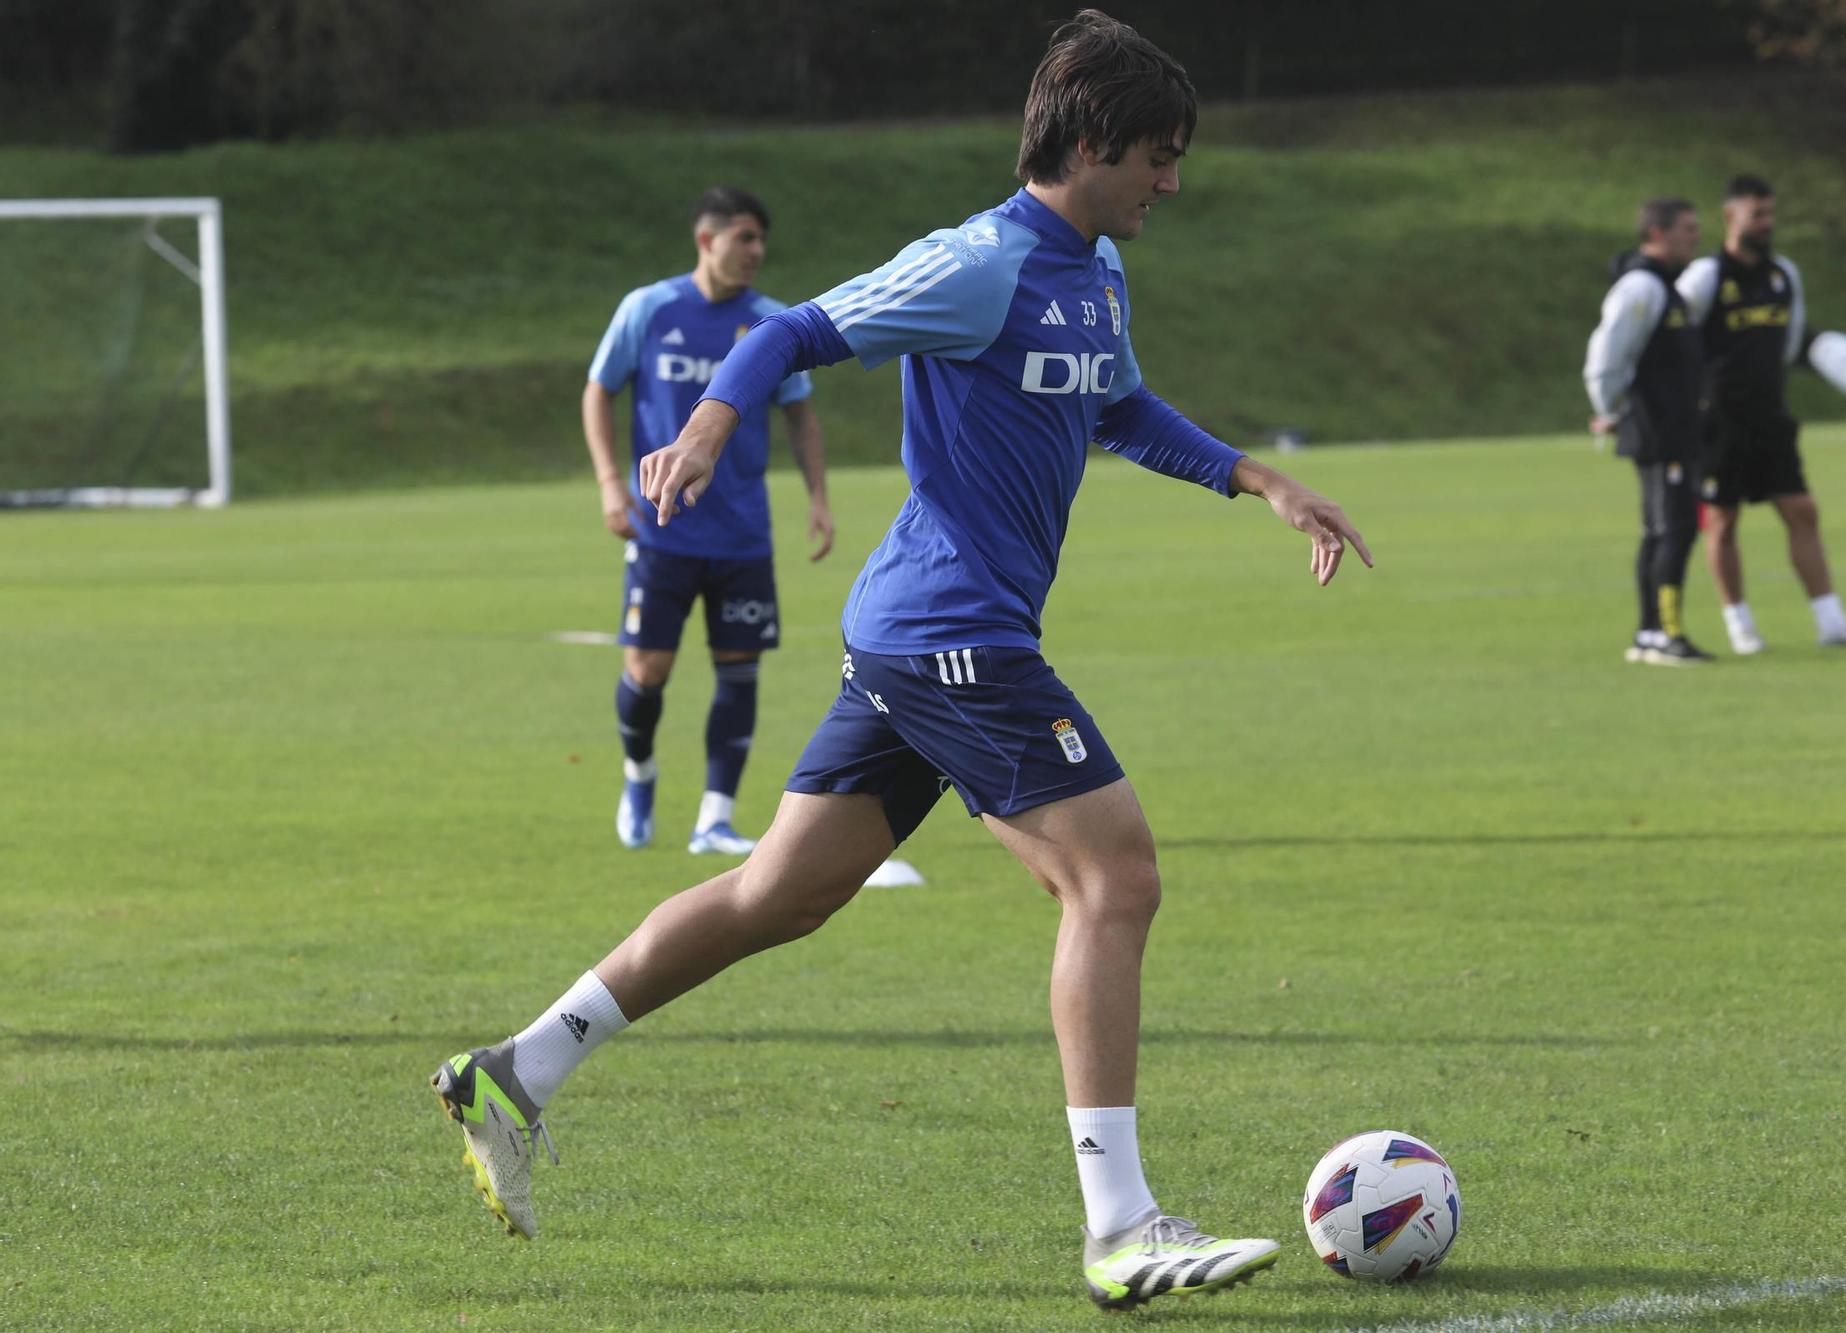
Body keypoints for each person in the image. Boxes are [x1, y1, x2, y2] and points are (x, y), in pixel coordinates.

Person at [431, 9, 1371, 1309]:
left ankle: (514, 1071)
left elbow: (1119, 407)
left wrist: (1259, 480)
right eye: (1158, 153)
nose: (1172, 178)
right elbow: (790, 333)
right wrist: (707, 427)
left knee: (778, 897)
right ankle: (1123, 1226)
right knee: (1118, 878)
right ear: (1091, 142)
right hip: (953, 639)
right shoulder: (976, 260)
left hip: (927, 641)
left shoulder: (1093, 273)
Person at [581, 186, 835, 854]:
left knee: (740, 669)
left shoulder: (774, 322)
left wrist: (818, 497)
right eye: (744, 238)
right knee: (649, 669)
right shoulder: (649, 308)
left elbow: (799, 414)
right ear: (706, 240)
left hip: (744, 533)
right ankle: (639, 774)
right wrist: (611, 484)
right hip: (660, 526)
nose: (756, 252)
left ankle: (714, 819)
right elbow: (598, 390)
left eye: (761, 241)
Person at [1676, 175, 1846, 654]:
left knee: (1801, 510)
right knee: (1723, 520)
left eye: (1771, 214)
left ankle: (1831, 622)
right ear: (1731, 217)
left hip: (1769, 415)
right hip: (1719, 419)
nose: (1767, 224)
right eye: (1758, 215)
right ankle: (1741, 626)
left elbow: (1790, 340)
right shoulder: (1707, 277)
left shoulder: (1783, 275)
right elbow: (1677, 339)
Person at [1584, 196, 1714, 665]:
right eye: (1687, 228)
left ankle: (1649, 634)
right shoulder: (1641, 286)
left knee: (1663, 531)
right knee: (1673, 531)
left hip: (1675, 431)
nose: (1696, 237)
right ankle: (1664, 636)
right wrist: (1610, 407)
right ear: (1657, 234)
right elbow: (1608, 354)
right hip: (1661, 433)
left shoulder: (1666, 285)